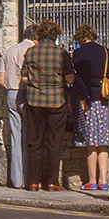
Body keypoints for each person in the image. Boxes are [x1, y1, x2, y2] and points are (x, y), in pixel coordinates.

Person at [19, 19, 75, 192]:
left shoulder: (30, 52)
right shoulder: (62, 53)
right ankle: (52, 182)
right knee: (54, 142)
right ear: (56, 35)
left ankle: (33, 182)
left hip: (34, 101)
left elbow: (24, 78)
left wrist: (37, 82)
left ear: (40, 35)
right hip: (57, 101)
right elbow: (70, 78)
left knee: (34, 142)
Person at [70, 25, 109, 192]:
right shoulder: (108, 52)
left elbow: (78, 79)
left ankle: (92, 180)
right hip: (104, 101)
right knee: (103, 143)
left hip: (87, 101)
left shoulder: (79, 54)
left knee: (90, 143)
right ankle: (103, 181)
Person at [0, 24, 37, 188]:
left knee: (15, 136)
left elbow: (0, 80)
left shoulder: (8, 51)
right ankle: (30, 178)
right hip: (29, 92)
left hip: (11, 94)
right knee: (31, 136)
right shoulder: (34, 50)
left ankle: (16, 180)